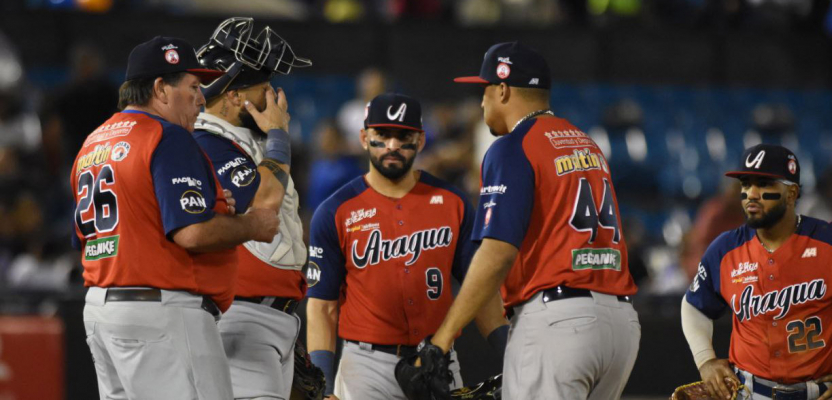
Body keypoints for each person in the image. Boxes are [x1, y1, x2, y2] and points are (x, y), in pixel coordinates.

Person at [428, 41, 640, 400]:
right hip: (620, 325)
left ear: (503, 89)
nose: (481, 102)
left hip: (559, 321)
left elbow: (497, 254)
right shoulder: (585, 142)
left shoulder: (513, 147)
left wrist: (443, 337)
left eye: (484, 90)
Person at [71, 36, 280, 399]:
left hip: (102, 312)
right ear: (160, 89)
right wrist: (253, 226)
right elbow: (193, 233)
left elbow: (89, 238)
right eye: (194, 87)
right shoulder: (167, 135)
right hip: (161, 314)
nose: (202, 98)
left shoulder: (94, 142)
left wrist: (211, 203)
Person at [306, 92, 508, 400]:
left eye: (404, 136)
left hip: (437, 361)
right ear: (363, 137)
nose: (392, 146)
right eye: (382, 135)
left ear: (422, 140)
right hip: (366, 365)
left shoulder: (453, 203)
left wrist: (510, 352)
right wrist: (322, 385)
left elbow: (480, 289)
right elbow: (322, 307)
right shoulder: (336, 210)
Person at [681, 144, 832, 400]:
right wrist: (705, 360)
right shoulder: (725, 249)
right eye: (745, 184)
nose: (751, 194)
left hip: (822, 393)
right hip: (748, 391)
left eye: (764, 185)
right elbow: (693, 306)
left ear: (791, 193)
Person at [192, 17, 312, 400]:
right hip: (241, 319)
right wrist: (278, 136)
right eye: (264, 89)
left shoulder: (239, 140)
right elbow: (264, 202)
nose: (274, 97)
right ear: (233, 96)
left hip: (271, 318)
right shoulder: (207, 141)